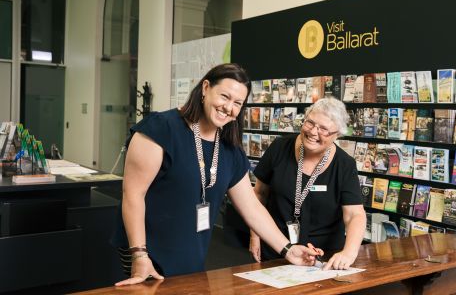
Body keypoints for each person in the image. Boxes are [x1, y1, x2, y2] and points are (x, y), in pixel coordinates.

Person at [111, 63, 318, 286]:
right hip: (145, 250)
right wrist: (139, 254)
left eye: (237, 103)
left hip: (191, 254)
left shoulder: (230, 148)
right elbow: (133, 195)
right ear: (206, 88)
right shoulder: (160, 129)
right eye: (225, 96)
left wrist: (287, 249)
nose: (229, 107)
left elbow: (252, 207)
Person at [249, 97, 366, 270]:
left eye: (323, 129)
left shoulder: (344, 164)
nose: (313, 132)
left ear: (337, 135)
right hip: (277, 248)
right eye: (310, 123)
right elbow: (259, 194)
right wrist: (255, 235)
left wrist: (349, 252)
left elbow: (355, 214)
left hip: (323, 258)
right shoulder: (279, 147)